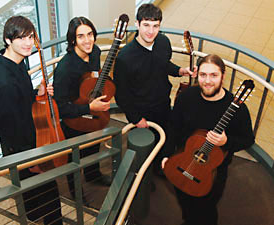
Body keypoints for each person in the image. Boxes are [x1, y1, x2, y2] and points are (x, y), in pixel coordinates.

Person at [161, 54, 255, 225]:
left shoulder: (238, 108)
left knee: (205, 210)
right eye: (203, 75)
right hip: (182, 160)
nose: (208, 81)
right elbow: (173, 127)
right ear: (197, 74)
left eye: (214, 75)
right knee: (184, 200)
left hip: (213, 171)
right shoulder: (186, 96)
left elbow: (248, 140)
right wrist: (167, 154)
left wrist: (226, 142)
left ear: (223, 76)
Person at [0, 16, 63, 224]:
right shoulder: (3, 82)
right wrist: (33, 163)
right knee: (46, 203)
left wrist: (35, 93)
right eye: (21, 38)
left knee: (41, 202)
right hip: (26, 155)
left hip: (33, 145)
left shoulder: (18, 62)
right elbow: (11, 130)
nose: (28, 43)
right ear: (8, 40)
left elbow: (19, 101)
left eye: (30, 36)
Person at [113, 3, 195, 175]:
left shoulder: (163, 42)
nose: (151, 31)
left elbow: (163, 65)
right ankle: (141, 178)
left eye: (155, 26)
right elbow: (121, 95)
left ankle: (159, 169)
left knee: (164, 140)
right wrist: (136, 119)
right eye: (146, 25)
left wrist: (180, 71)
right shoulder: (125, 58)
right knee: (142, 149)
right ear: (137, 24)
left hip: (163, 104)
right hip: (141, 111)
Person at [53, 16, 111, 198]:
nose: (87, 40)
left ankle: (94, 176)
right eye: (81, 36)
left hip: (91, 113)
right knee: (75, 161)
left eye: (90, 34)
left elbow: (94, 80)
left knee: (94, 147)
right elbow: (61, 108)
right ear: (72, 40)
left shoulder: (95, 52)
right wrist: (89, 109)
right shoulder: (64, 69)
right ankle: (76, 193)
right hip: (73, 122)